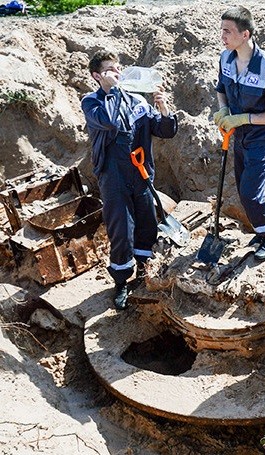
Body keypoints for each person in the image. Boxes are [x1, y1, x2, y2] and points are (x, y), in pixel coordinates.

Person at [81, 50, 178, 310]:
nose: (118, 73)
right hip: (113, 177)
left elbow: (165, 131)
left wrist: (163, 107)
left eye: (118, 68)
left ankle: (144, 272)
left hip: (141, 173)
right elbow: (110, 122)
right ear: (97, 76)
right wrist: (111, 91)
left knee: (147, 224)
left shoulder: (138, 102)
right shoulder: (92, 102)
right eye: (110, 69)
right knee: (122, 230)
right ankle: (122, 282)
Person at [213, 6, 265, 261]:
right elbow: (221, 88)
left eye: (227, 31)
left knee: (250, 192)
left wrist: (244, 118)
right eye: (222, 30)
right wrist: (224, 110)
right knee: (242, 187)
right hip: (240, 135)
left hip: (262, 138)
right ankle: (263, 230)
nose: (222, 36)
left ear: (245, 34)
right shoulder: (226, 58)